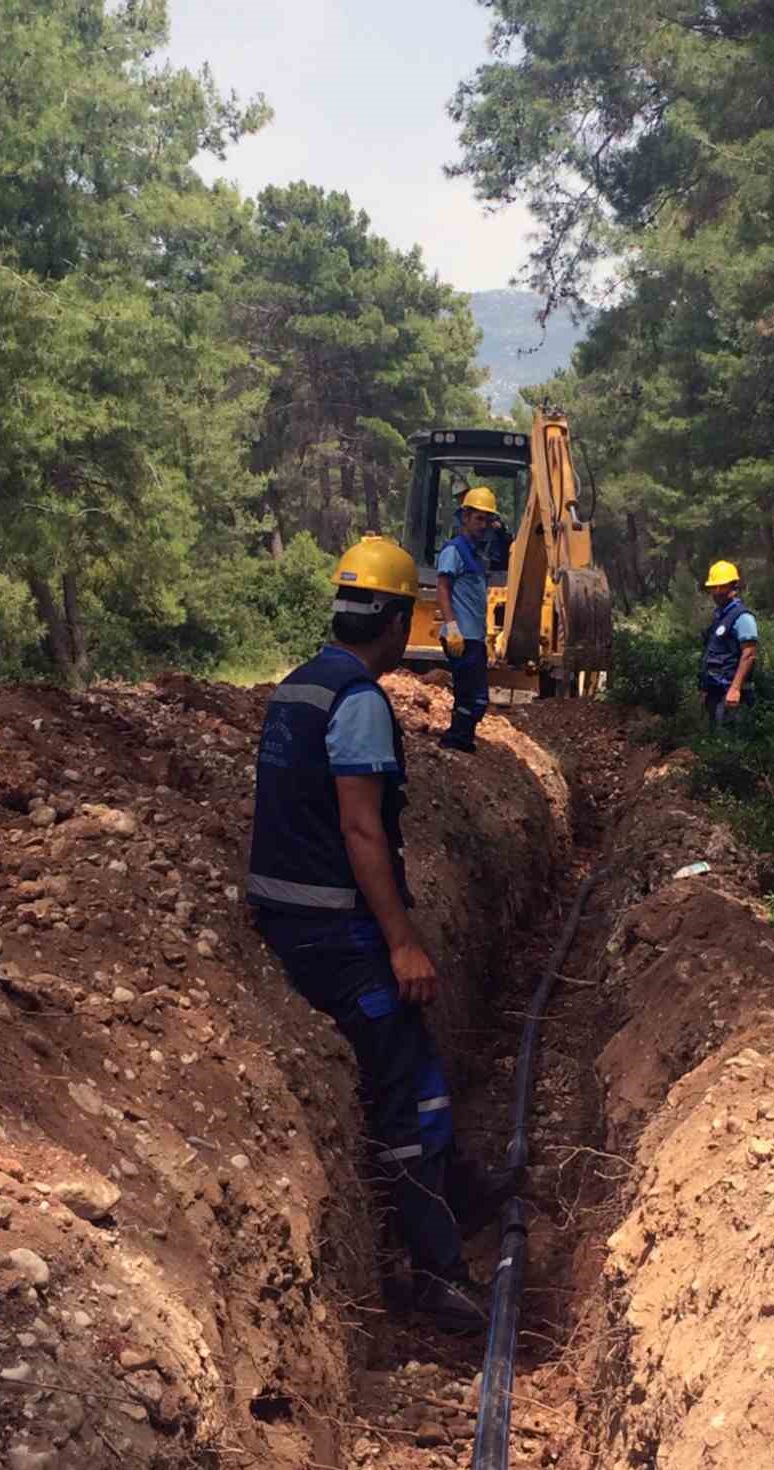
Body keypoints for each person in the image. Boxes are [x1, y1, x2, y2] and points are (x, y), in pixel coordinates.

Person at [247, 535, 512, 1333]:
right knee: (408, 1078)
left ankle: (457, 1185)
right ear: (396, 620)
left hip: (288, 914)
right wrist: (401, 939)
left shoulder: (298, 687)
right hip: (332, 929)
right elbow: (362, 830)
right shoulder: (359, 702)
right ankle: (433, 1268)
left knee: (417, 1047)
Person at [435, 486, 494, 752]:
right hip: (461, 636)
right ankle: (455, 739)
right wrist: (451, 626)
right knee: (472, 695)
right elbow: (443, 588)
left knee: (476, 696)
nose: (484, 525)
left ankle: (463, 737)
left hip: (474, 637)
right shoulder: (454, 551)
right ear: (465, 516)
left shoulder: (477, 554)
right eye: (479, 518)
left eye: (488, 519)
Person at [698, 559, 759, 732]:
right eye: (714, 587)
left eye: (721, 587)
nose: (717, 592)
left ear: (733, 586)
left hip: (731, 694)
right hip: (715, 692)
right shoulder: (720, 617)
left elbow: (749, 654)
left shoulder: (743, 617)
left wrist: (735, 689)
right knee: (715, 741)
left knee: (732, 744)